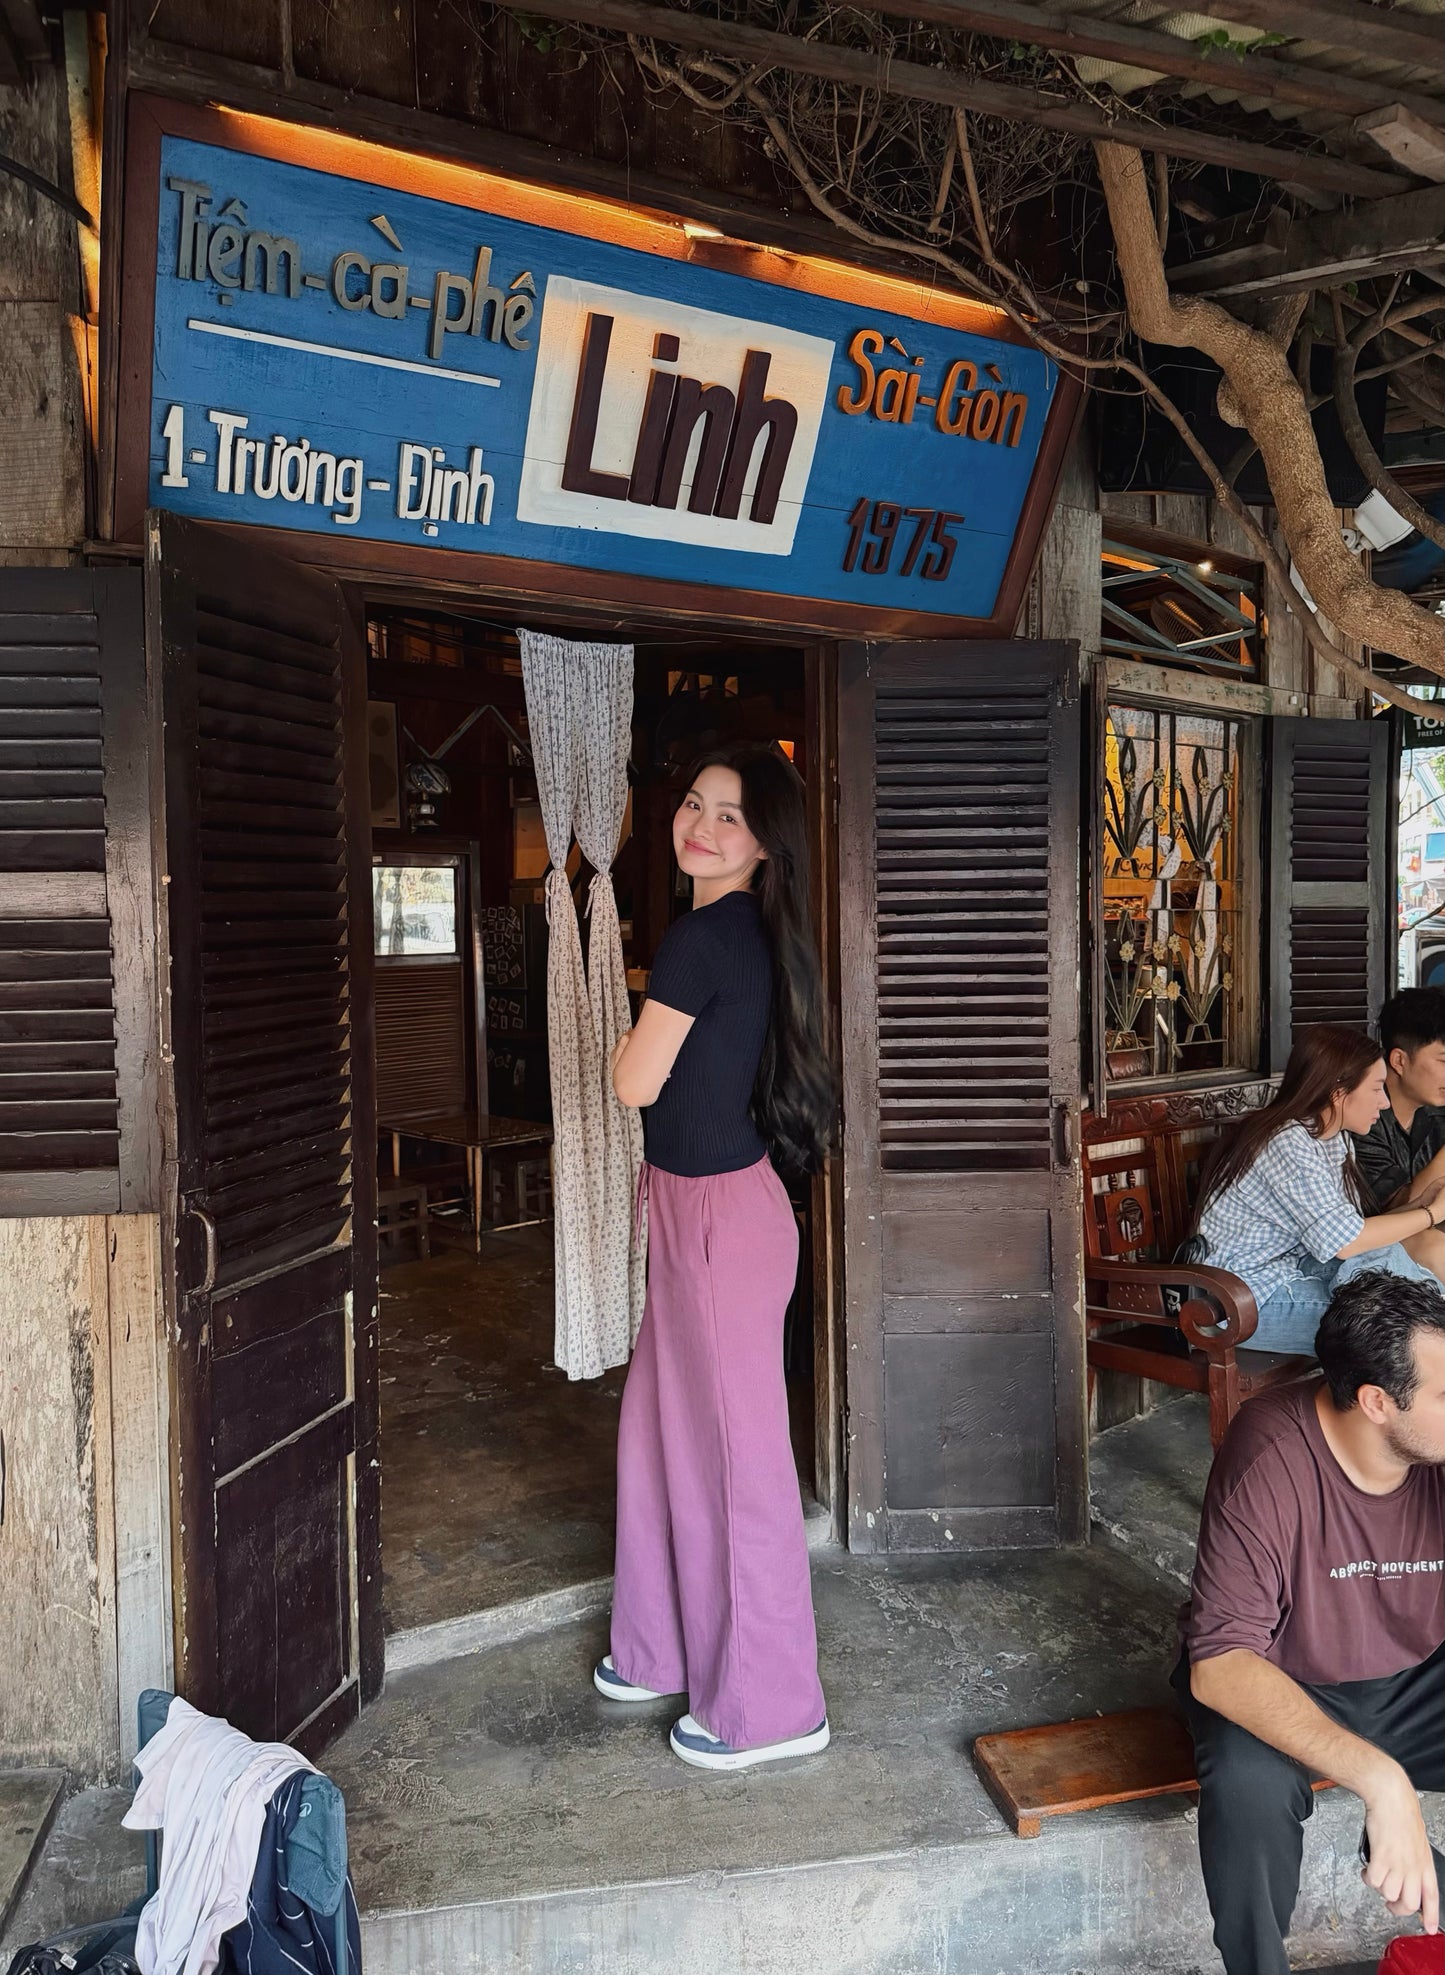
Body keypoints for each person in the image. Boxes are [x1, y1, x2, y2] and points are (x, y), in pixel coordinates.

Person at [593, 744, 836, 1772]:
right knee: (658, 1433)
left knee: (737, 1463)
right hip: (701, 1207)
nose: (700, 825)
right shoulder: (749, 934)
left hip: (718, 1222)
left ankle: (771, 1706)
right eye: (693, 803)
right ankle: (659, 1647)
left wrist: (622, 1036)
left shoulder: (702, 938)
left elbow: (631, 1084)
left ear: (764, 841)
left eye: (728, 814)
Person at [1174, 1269, 1445, 1975]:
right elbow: (1219, 1662)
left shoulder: (1434, 1446)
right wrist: (1380, 1781)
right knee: (1247, 1791)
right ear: (1377, 1402)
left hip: (1414, 1681)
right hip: (1282, 1678)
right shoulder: (1271, 1451)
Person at [1194, 1024, 1445, 1354]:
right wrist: (1430, 1213)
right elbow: (1345, 1243)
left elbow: (1348, 1232)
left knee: (1404, 1262)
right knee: (1408, 1324)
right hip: (1247, 1294)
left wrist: (1422, 1204)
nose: (1384, 1102)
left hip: (1298, 1266)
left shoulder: (1330, 1137)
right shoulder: (1286, 1143)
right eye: (1376, 1089)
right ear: (1338, 1093)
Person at [1353, 988, 1445, 1284]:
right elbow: (1405, 1209)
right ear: (1399, 1061)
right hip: (1369, 1257)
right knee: (1431, 1244)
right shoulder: (1360, 1118)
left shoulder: (1436, 1112)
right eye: (1444, 1061)